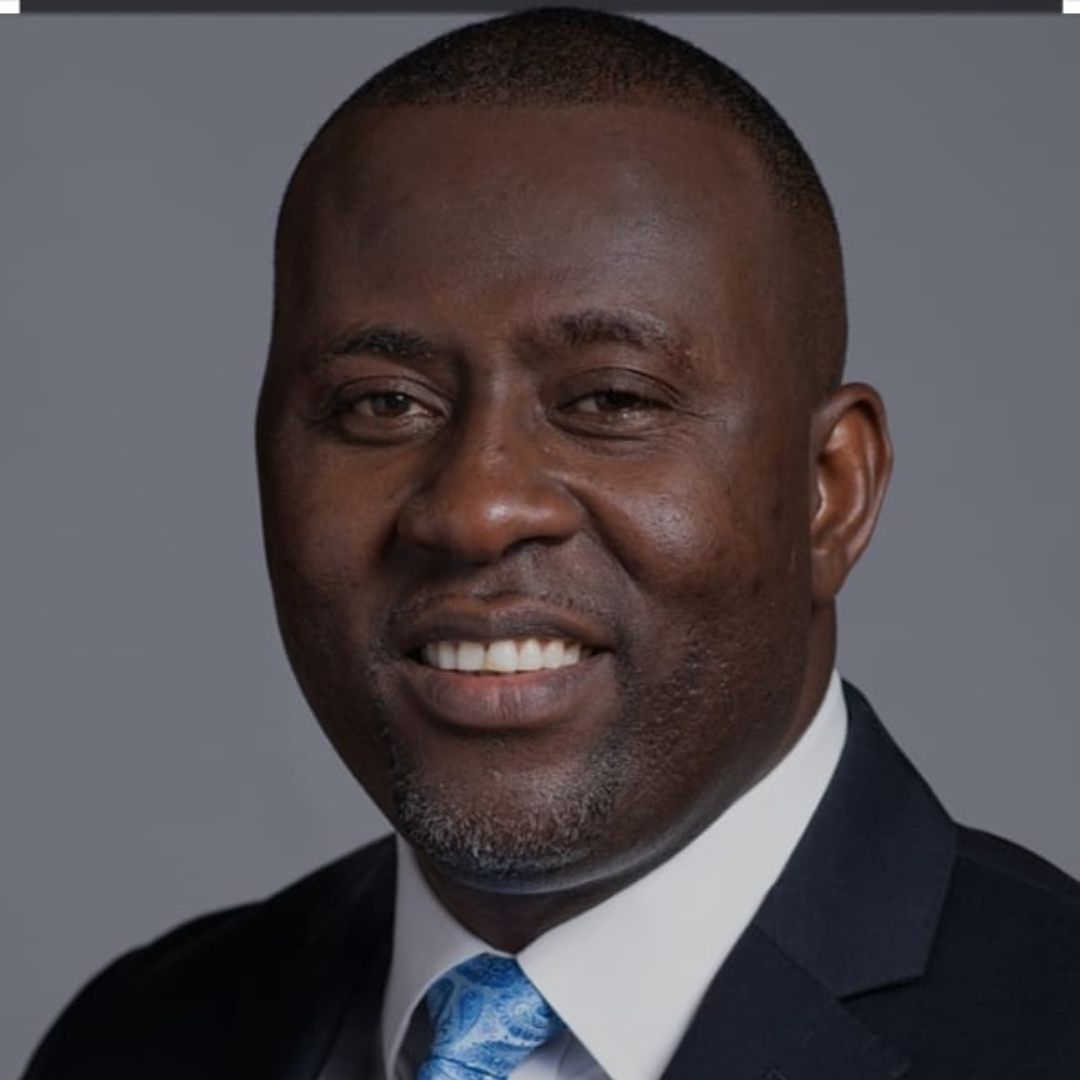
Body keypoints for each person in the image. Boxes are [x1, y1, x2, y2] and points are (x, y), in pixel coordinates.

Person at [22, 8, 1080, 1079]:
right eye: (383, 404)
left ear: (830, 492)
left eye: (612, 400)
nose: (475, 510)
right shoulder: (133, 1042)